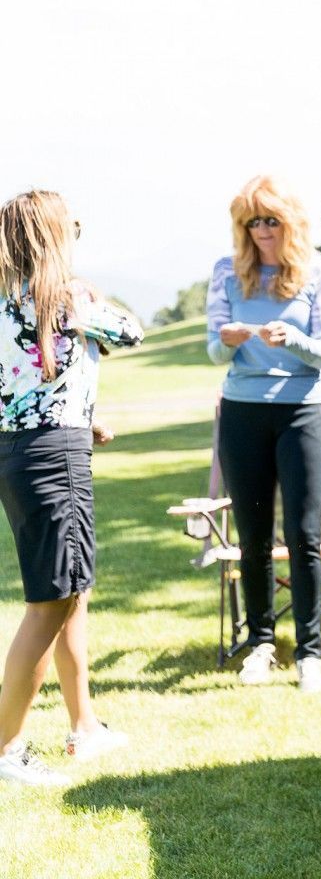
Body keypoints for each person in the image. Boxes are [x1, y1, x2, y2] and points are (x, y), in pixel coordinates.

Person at [0, 190, 143, 787]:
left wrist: (82, 420)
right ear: (53, 237)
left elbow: (25, 386)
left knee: (71, 590)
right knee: (53, 600)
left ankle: (85, 727)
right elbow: (132, 332)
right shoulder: (68, 296)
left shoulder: (9, 302)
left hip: (22, 451)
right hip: (53, 459)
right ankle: (5, 749)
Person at [207, 175, 321, 693]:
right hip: (242, 411)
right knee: (253, 536)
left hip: (302, 411)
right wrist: (230, 338)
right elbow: (214, 351)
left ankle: (310, 654)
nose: (261, 230)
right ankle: (260, 643)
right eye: (252, 222)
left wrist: (296, 339)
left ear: (291, 222)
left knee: (305, 536)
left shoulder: (318, 271)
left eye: (271, 220)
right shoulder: (227, 273)